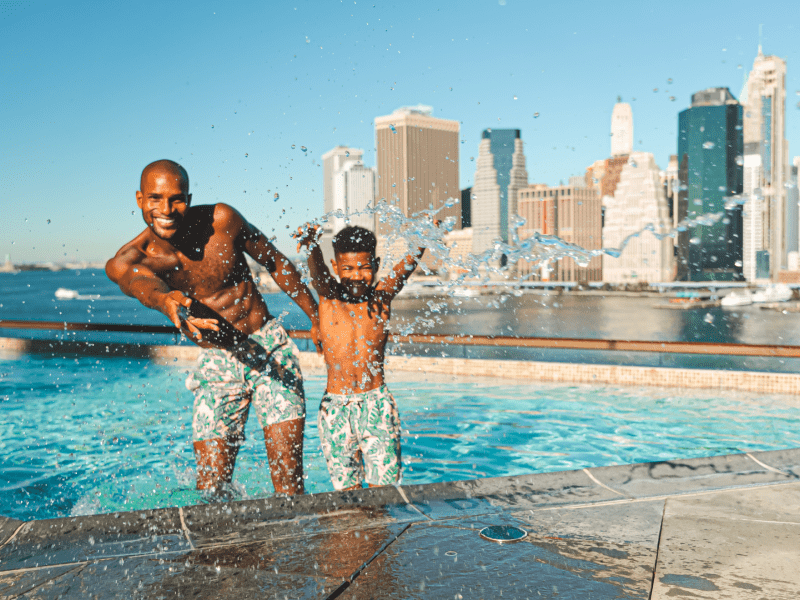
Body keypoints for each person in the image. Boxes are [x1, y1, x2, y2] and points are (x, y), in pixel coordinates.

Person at [106, 159, 320, 496]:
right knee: (211, 491)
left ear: (188, 199)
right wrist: (166, 301)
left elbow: (275, 261)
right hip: (216, 363)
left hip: (268, 350)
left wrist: (317, 317)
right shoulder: (130, 260)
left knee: (289, 485)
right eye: (155, 198)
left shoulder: (222, 221)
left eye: (176, 198)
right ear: (140, 199)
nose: (167, 209)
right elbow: (140, 284)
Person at [295, 223, 427, 491]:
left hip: (376, 403)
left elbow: (405, 267)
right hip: (335, 408)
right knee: (347, 496)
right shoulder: (329, 298)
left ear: (376, 264)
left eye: (365, 267)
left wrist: (423, 240)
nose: (357, 275)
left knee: (386, 493)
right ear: (336, 266)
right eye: (348, 268)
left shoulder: (381, 298)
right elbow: (317, 272)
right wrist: (311, 245)